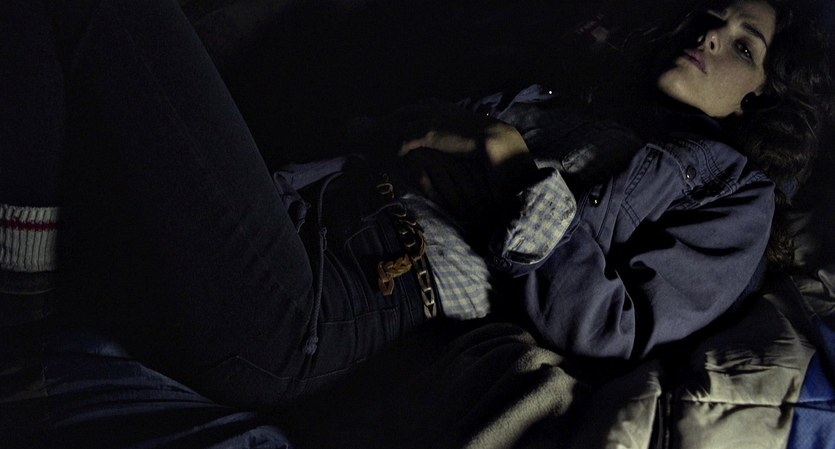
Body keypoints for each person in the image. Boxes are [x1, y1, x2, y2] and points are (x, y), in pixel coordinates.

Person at [0, 0, 829, 414]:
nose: (709, 34)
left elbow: (614, 328)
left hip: (323, 306)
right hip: (302, 218)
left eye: (743, 45)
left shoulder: (735, 190)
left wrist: (511, 170)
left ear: (762, 98)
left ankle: (15, 336)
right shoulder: (580, 104)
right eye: (711, 16)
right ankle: (23, 323)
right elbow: (406, 133)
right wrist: (448, 132)